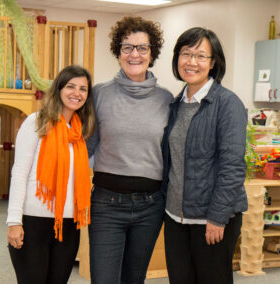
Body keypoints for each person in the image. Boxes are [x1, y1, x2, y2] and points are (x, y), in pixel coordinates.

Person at [86, 16, 173, 284]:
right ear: (118, 51)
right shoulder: (100, 94)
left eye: (142, 48)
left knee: (134, 279)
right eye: (127, 47)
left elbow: (170, 154)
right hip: (106, 204)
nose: (134, 54)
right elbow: (86, 146)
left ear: (152, 53)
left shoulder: (166, 100)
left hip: (150, 206)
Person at [161, 27, 248, 284]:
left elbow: (232, 166)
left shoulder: (227, 103)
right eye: (186, 54)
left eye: (200, 56)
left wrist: (217, 217)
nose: (192, 62)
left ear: (213, 63)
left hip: (211, 219)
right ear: (177, 58)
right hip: (176, 217)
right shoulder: (177, 104)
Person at [6, 65, 95, 284]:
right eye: (71, 86)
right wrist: (14, 222)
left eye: (83, 89)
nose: (77, 93)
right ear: (58, 89)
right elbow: (19, 173)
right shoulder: (37, 121)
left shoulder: (78, 132)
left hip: (68, 224)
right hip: (34, 222)